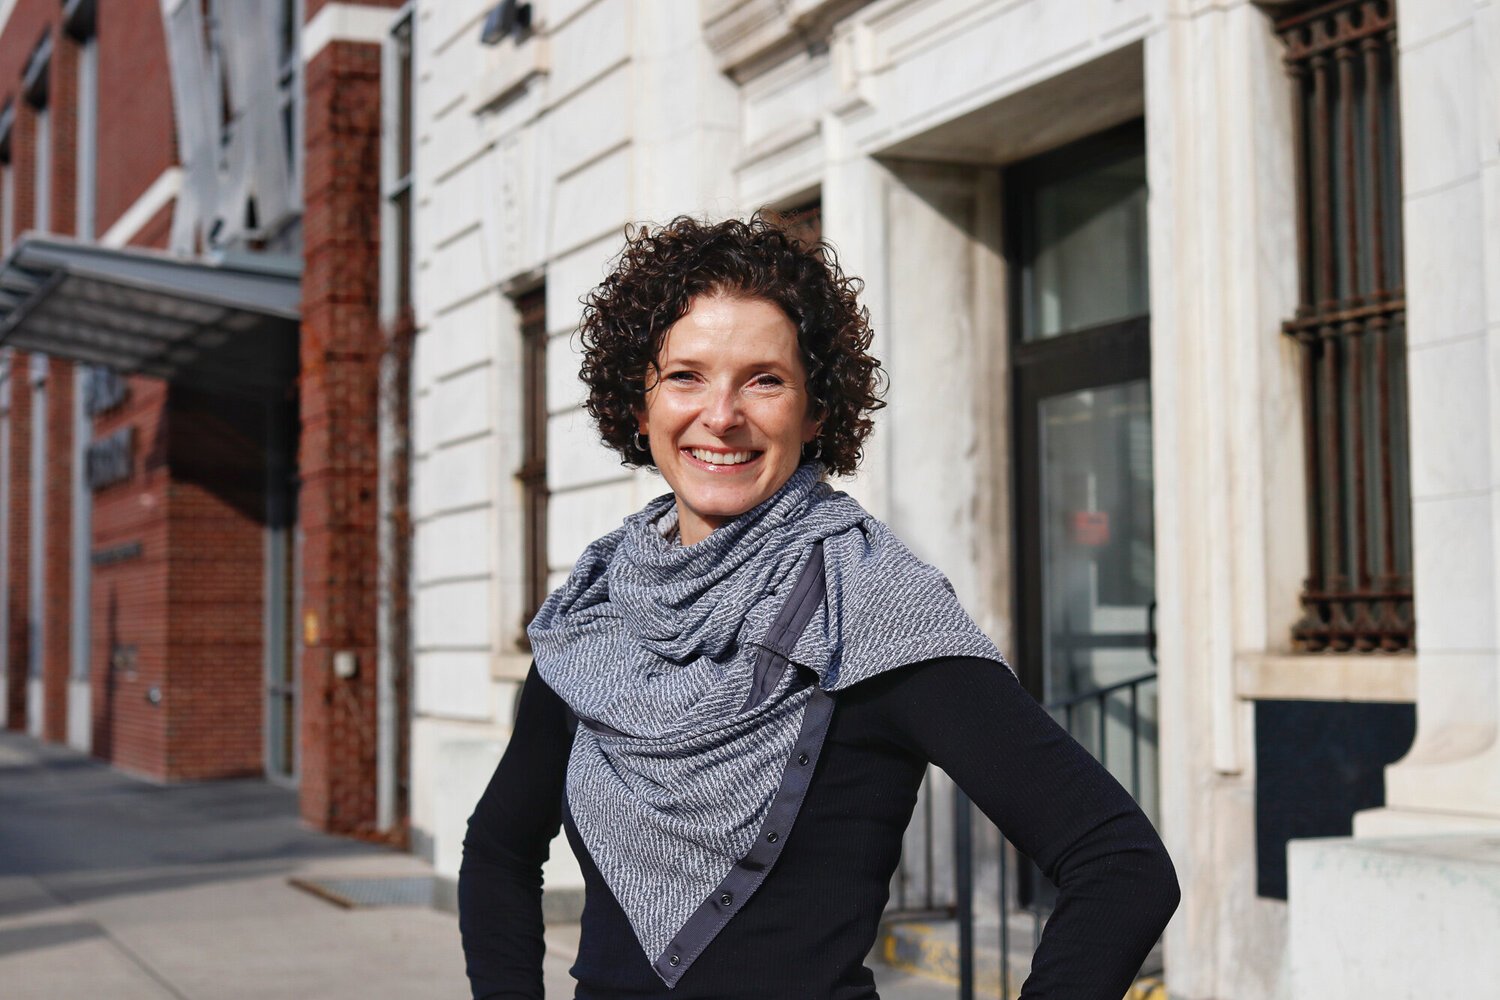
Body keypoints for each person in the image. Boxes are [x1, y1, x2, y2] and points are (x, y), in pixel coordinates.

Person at [458, 215, 1179, 999]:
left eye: (764, 379)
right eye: (685, 376)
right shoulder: (597, 616)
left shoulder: (869, 606)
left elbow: (1120, 867)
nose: (722, 415)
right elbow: (499, 851)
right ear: (640, 405)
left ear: (817, 412)